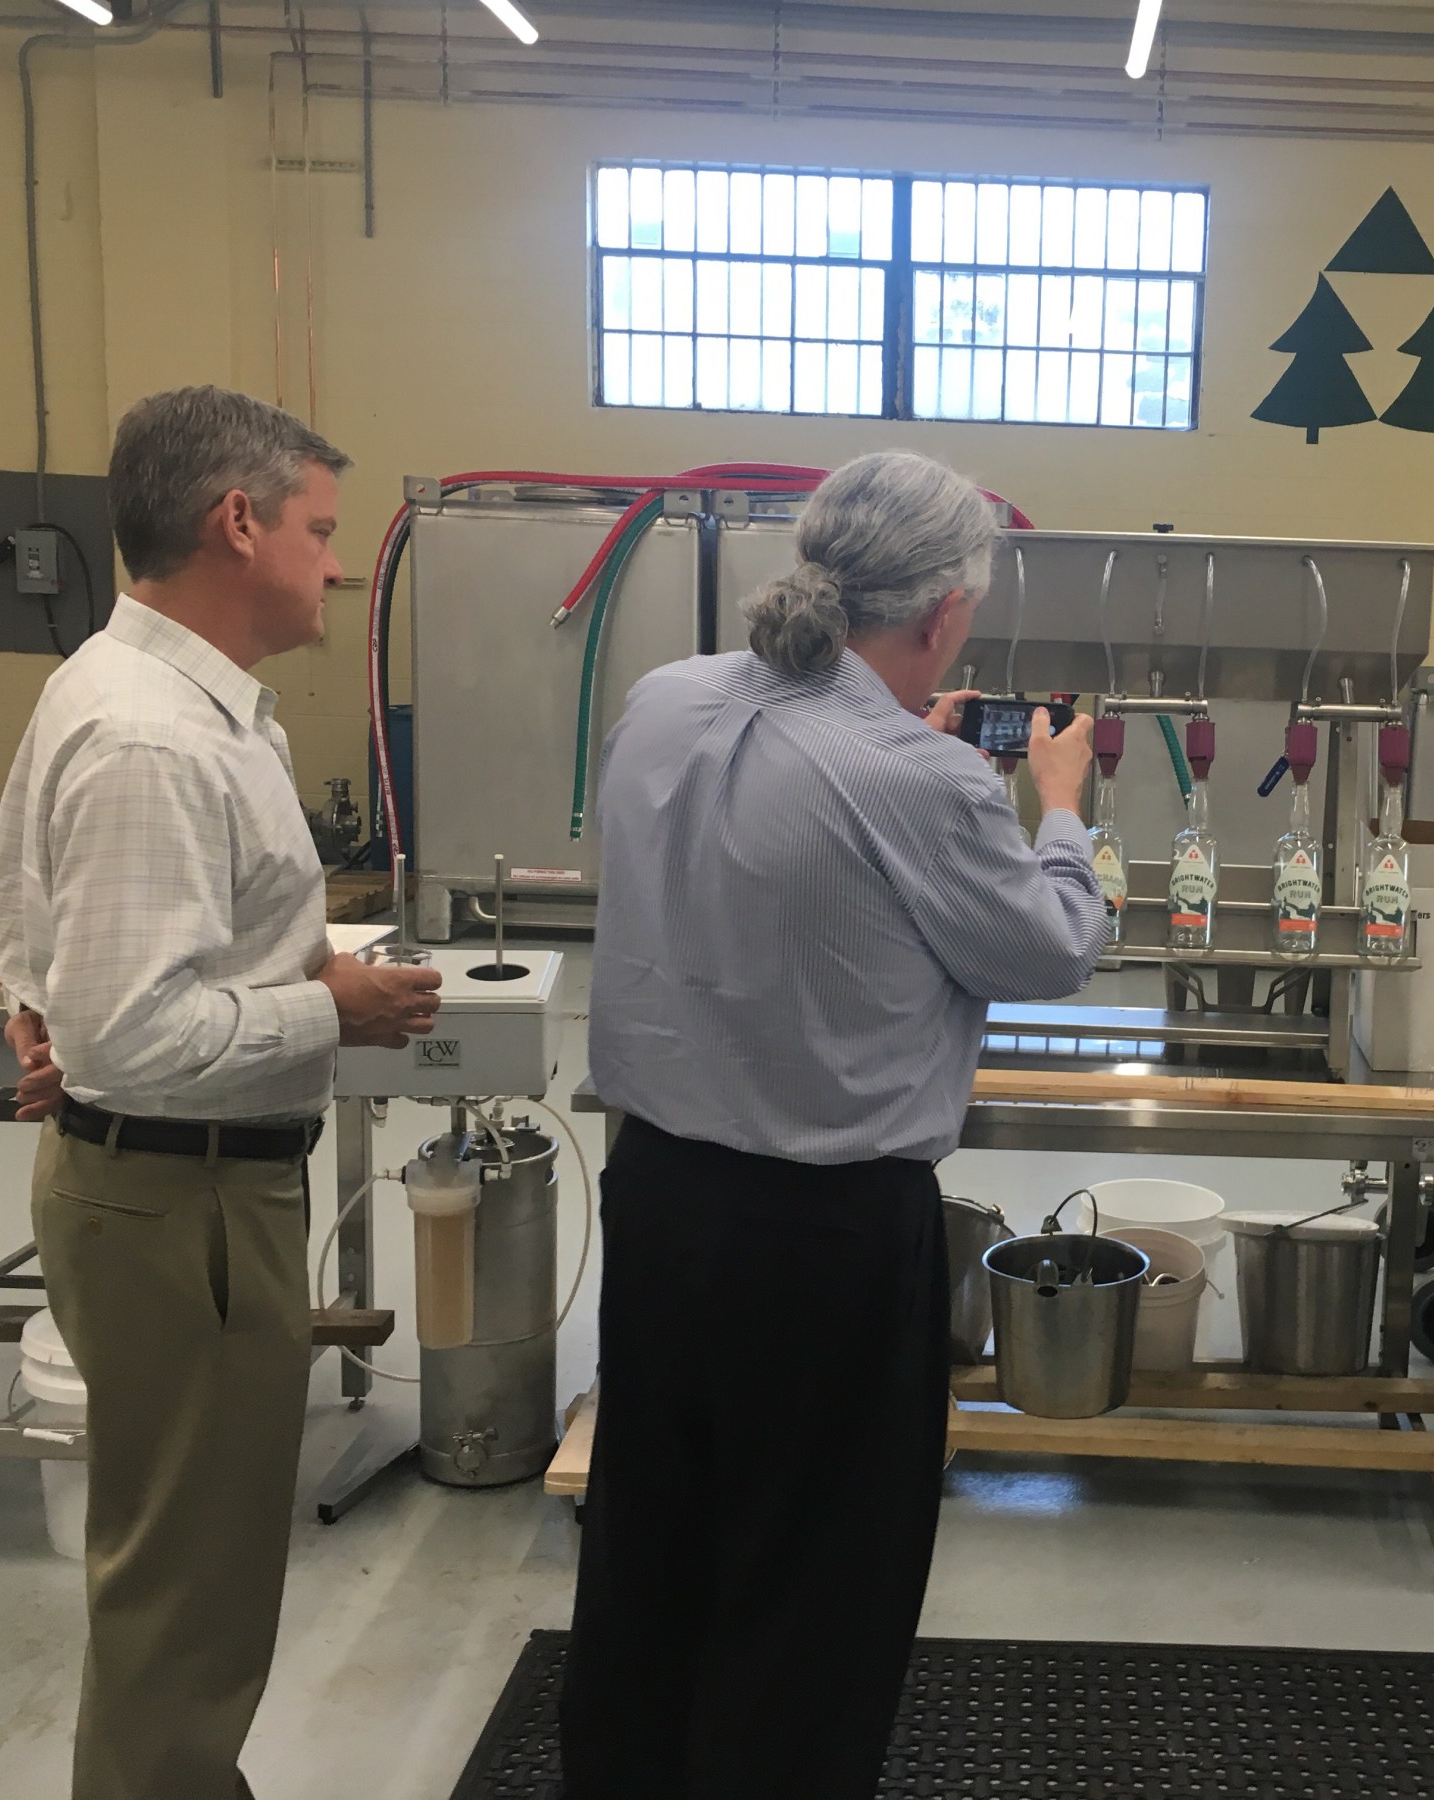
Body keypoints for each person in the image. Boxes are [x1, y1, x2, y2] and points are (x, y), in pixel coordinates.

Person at [565, 450, 1107, 1797]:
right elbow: (1049, 949)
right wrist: (1062, 812)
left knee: (651, 1556)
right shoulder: (926, 785)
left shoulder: (664, 702)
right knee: (812, 1592)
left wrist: (911, 764)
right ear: (940, 616)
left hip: (660, 1199)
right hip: (823, 1244)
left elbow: (777, 852)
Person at [0, 385, 443, 1800]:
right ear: (233, 523)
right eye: (317, 529)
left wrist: (49, 1006)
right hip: (177, 1203)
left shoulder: (149, 694)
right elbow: (133, 1039)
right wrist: (333, 1004)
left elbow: (20, 909)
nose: (334, 561)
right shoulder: (153, 737)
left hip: (184, 1188)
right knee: (184, 1599)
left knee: (194, 1572)